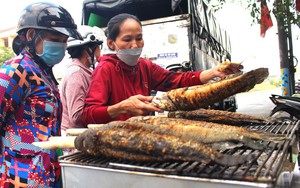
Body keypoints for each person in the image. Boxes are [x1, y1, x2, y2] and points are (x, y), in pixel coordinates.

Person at [81, 13, 242, 125]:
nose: (135, 45)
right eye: (127, 40)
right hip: (114, 144)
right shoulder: (105, 69)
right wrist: (121, 107)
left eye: (139, 38)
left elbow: (175, 80)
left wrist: (213, 72)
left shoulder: (144, 66)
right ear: (111, 43)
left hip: (141, 136)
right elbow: (88, 115)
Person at [0, 2, 81, 187]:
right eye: (55, 38)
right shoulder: (15, 71)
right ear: (30, 36)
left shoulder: (43, 72)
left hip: (47, 174)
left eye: (64, 41)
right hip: (20, 177)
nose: (62, 46)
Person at [61, 25, 103, 132]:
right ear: (88, 49)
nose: (99, 52)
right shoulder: (76, 73)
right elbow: (76, 116)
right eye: (98, 47)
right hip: (74, 142)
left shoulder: (84, 71)